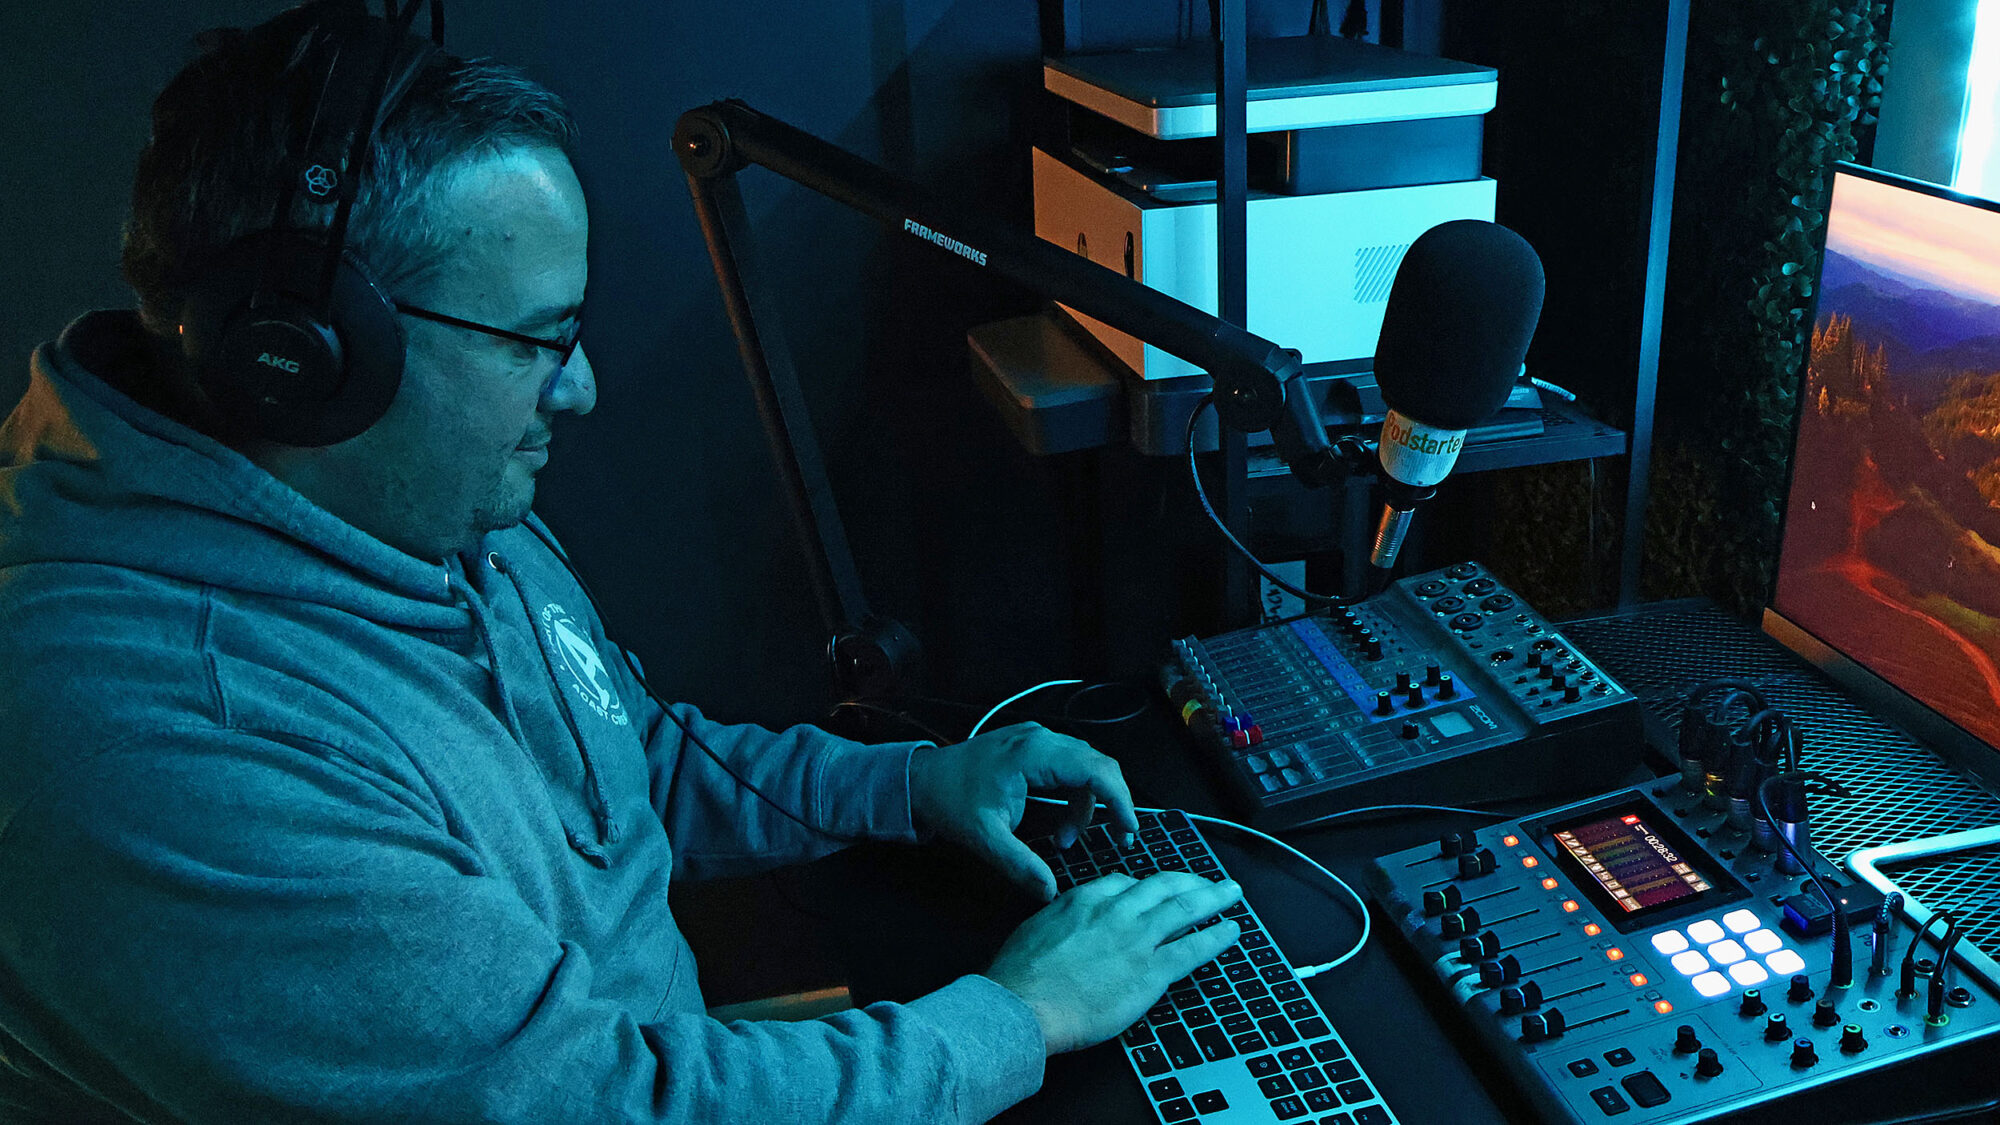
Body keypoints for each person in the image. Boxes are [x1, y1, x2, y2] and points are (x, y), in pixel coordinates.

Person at [0, 3, 1243, 1123]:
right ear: (307, 354)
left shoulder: (413, 505)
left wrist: (910, 785)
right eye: (538, 342)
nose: (581, 390)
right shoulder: (161, 749)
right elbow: (595, 1105)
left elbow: (623, 765)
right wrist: (1019, 1018)